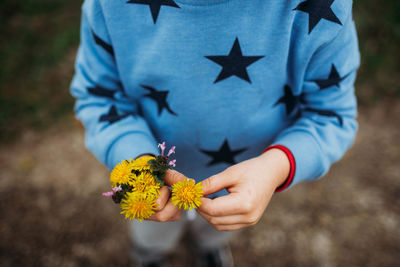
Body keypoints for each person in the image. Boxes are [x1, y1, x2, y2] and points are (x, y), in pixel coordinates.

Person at [70, 0, 360, 266]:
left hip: (242, 179)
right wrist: (133, 157)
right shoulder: (110, 7)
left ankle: (210, 249)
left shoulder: (320, 9)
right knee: (152, 232)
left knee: (221, 226)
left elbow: (330, 116)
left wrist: (276, 167)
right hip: (151, 181)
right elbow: (100, 98)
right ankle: (150, 255)